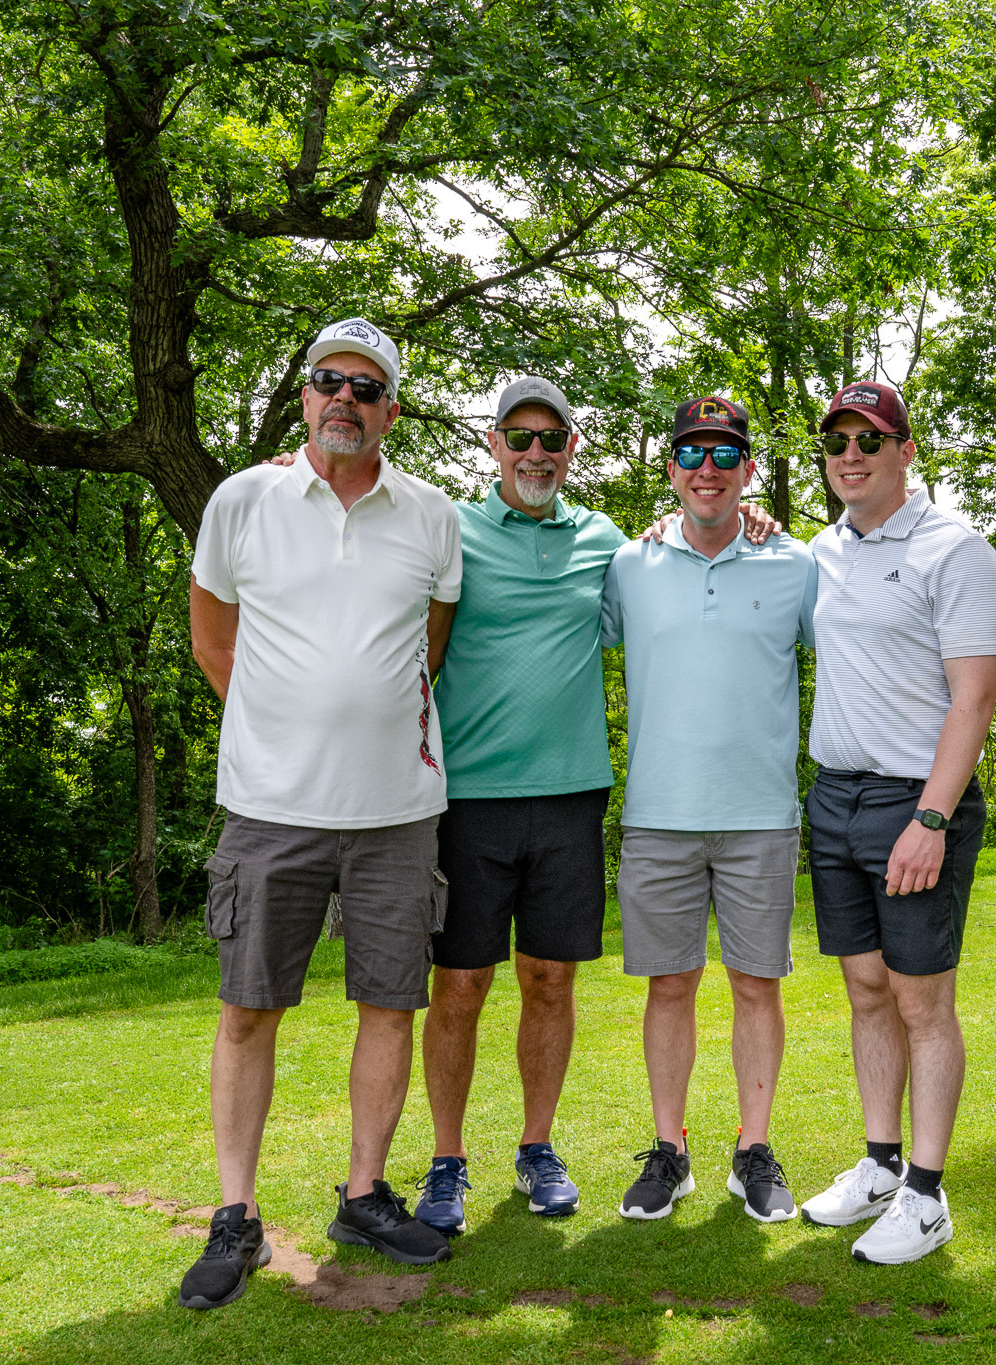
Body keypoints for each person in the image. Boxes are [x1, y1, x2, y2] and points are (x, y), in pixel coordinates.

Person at [178, 317, 462, 1311]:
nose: (346, 397)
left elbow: (429, 647)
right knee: (248, 1008)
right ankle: (235, 1216)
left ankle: (363, 1195)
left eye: (366, 387)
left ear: (391, 410)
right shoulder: (242, 500)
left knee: (390, 1004)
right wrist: (280, 732)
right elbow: (213, 642)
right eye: (329, 380)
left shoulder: (431, 516)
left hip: (397, 813)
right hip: (269, 811)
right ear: (305, 395)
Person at [794, 381, 996, 1265]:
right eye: (837, 441)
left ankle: (926, 1194)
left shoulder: (953, 549)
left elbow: (974, 698)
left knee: (923, 1000)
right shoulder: (822, 550)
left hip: (914, 801)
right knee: (865, 989)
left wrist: (932, 816)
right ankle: (881, 1165)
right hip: (834, 796)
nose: (851, 455)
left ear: (905, 450)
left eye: (870, 440)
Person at [408, 377, 626, 1234]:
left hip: (570, 798)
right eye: (520, 436)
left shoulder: (605, 540)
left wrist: (746, 517)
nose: (537, 453)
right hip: (468, 800)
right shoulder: (448, 528)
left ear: (571, 448)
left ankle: (538, 1146)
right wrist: (292, 472)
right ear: (493, 443)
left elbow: (684, 554)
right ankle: (447, 1159)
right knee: (460, 983)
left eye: (553, 438)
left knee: (550, 979)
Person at [601, 394, 817, 1224]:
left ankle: (753, 1150)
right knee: (670, 984)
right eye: (692, 453)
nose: (708, 469)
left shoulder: (794, 562)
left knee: (757, 984)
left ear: (748, 470)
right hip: (659, 813)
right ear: (671, 470)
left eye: (726, 454)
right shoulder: (631, 562)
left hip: (761, 815)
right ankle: (671, 1150)